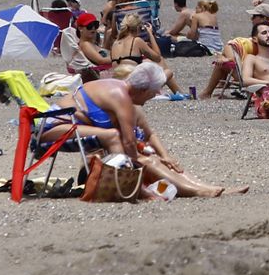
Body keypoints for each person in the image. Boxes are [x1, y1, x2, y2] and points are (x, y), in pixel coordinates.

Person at [43, 64, 248, 197]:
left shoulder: (118, 90)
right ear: (143, 90)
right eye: (153, 92)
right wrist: (141, 161)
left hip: (69, 128)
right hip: (51, 129)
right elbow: (129, 142)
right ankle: (146, 188)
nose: (154, 96)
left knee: (151, 158)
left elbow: (141, 138)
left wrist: (160, 156)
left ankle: (202, 187)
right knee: (125, 145)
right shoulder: (121, 96)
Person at [201, 3, 269, 98]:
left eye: (254, 16)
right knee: (226, 56)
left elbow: (231, 46)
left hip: (256, 75)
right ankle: (219, 83)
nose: (251, 19)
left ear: (263, 19)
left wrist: (227, 57)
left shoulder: (264, 38)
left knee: (224, 61)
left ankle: (207, 93)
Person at [109, 13, 191, 99]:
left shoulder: (115, 43)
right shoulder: (136, 41)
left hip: (119, 86)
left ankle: (179, 92)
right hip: (133, 88)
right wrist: (151, 34)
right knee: (168, 72)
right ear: (137, 28)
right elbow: (157, 57)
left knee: (147, 62)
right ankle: (180, 93)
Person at [62, 12, 112, 83]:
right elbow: (101, 61)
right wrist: (119, 57)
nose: (93, 28)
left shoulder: (92, 43)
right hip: (98, 80)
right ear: (80, 28)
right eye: (89, 26)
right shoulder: (85, 44)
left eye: (95, 25)